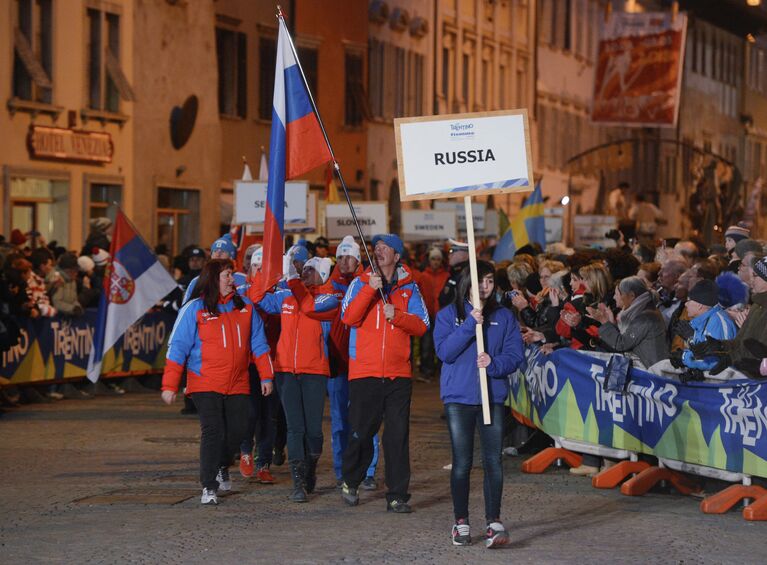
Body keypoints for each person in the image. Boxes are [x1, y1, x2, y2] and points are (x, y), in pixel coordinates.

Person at [161, 259, 274, 505]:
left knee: (238, 430)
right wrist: (170, 385)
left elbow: (259, 343)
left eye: (231, 274)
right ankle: (209, 486)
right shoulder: (195, 309)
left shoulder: (245, 308)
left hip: (238, 381)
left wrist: (266, 375)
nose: (232, 280)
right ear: (214, 279)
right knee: (212, 431)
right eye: (227, 275)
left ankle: (222, 464)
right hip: (205, 381)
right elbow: (178, 347)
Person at [434, 260, 524, 548]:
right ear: (467, 283)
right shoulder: (449, 315)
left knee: (493, 461)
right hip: (459, 398)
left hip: (491, 397)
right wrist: (470, 323)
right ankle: (461, 521)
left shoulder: (505, 318)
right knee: (462, 462)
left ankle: (493, 521)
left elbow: (515, 355)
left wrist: (494, 363)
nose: (485, 286)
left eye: (489, 281)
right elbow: (445, 352)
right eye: (479, 280)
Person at [340, 233, 429, 513]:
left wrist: (398, 316)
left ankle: (397, 495)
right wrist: (369, 289)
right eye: (375, 248)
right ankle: (351, 479)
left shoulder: (410, 288)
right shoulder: (360, 282)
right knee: (361, 432)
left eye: (384, 248)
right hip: (364, 372)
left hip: (397, 375)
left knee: (397, 435)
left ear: (397, 256)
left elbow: (422, 325)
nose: (378, 252)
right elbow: (348, 318)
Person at [252, 250, 339, 503]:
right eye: (304, 269)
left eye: (311, 270)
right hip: (286, 370)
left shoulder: (329, 299)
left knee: (313, 430)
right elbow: (257, 297)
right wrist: (264, 270)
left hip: (314, 372)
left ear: (322, 275)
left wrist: (292, 281)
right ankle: (298, 480)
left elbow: (309, 307)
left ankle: (311, 464)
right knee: (295, 427)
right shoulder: (288, 297)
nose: (305, 273)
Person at [320, 235, 381, 490]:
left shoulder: (367, 283)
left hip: (361, 363)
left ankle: (367, 470)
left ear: (358, 260)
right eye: (341, 257)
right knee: (340, 421)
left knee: (366, 419)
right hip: (336, 364)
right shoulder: (327, 286)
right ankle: (342, 469)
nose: (345, 262)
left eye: (350, 257)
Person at [691, 256, 767, 378]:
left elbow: (756, 354)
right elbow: (739, 344)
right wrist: (720, 346)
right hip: (744, 377)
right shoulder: (756, 306)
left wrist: (758, 366)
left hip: (758, 385)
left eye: (756, 276)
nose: (751, 280)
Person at [590, 276, 670, 368]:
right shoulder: (643, 310)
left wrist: (604, 321)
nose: (614, 297)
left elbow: (622, 344)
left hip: (652, 371)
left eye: (619, 294)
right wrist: (610, 324)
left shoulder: (646, 317)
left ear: (631, 295)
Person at [670, 280, 737, 374]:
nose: (685, 304)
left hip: (722, 384)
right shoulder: (703, 321)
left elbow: (716, 361)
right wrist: (691, 340)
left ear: (699, 305)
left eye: (689, 300)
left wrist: (684, 357)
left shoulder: (718, 322)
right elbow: (702, 351)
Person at [183, 236, 243, 302]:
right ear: (211, 256)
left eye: (223, 251)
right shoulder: (198, 281)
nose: (218, 254)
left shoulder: (242, 279)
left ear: (231, 257)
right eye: (215, 251)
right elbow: (185, 308)